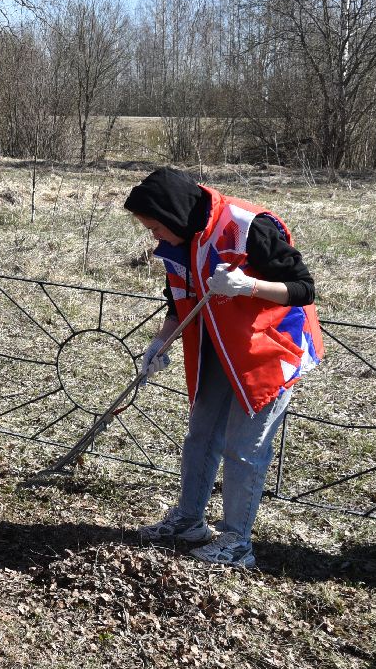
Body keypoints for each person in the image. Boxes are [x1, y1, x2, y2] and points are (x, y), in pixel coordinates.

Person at [124, 167, 323, 568]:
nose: (153, 237)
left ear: (175, 215)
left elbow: (303, 288)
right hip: (219, 349)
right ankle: (188, 521)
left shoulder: (249, 226)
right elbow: (177, 297)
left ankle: (236, 542)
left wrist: (246, 286)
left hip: (268, 350)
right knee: (200, 434)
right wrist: (161, 341)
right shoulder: (183, 239)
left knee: (244, 449)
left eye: (156, 228)